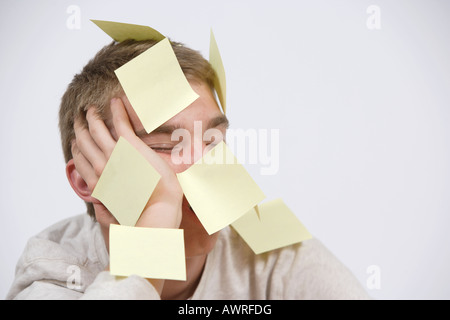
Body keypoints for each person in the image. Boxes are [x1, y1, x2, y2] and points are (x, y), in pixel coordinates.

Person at [6, 37, 370, 300]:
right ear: (87, 179)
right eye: (166, 145)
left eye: (213, 141)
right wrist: (157, 214)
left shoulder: (272, 254)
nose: (206, 162)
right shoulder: (56, 275)